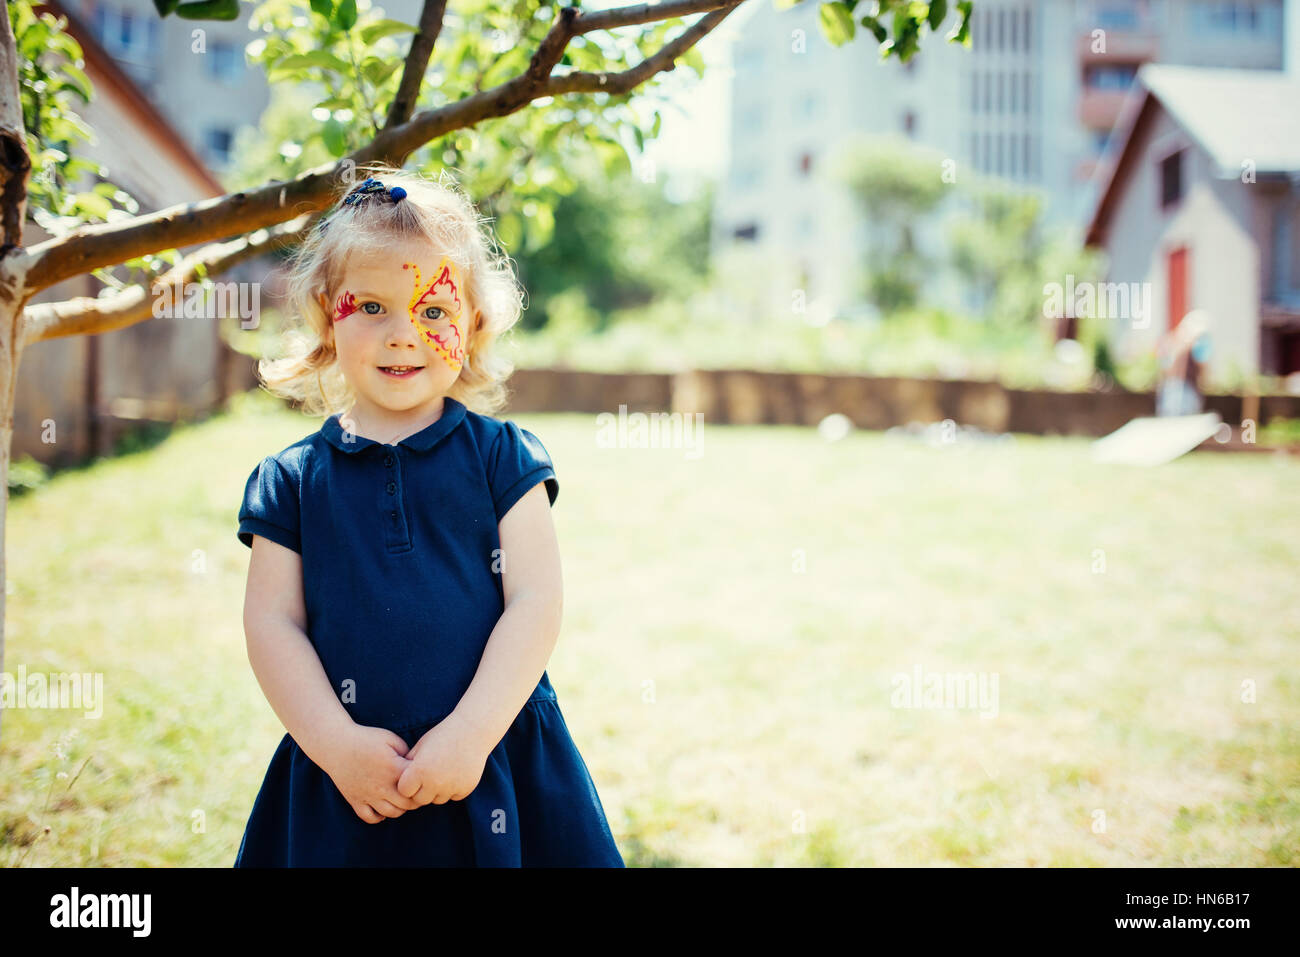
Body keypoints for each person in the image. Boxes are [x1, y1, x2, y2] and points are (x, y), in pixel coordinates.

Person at [232, 163, 624, 867]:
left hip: (494, 764)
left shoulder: (504, 458)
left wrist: (471, 734)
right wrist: (334, 743)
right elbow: (272, 623)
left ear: (471, 325)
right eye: (372, 307)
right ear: (327, 312)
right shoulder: (289, 481)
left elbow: (535, 600)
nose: (403, 334)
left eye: (433, 310)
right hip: (347, 782)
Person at [1156, 309, 1211, 417]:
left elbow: (1165, 369)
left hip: (1173, 391)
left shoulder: (1175, 343)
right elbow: (1204, 369)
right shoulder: (1195, 344)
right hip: (1183, 393)